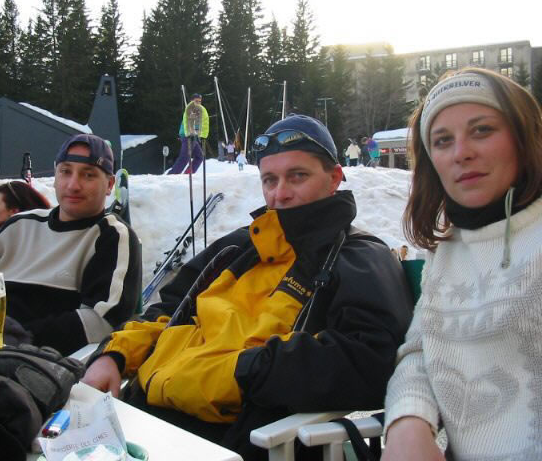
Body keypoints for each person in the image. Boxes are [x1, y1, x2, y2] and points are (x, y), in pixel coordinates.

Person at [82, 115, 414, 460]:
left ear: (333, 178)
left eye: (297, 176)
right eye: (270, 180)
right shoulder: (238, 248)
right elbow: (168, 310)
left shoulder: (356, 256)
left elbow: (371, 358)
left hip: (237, 438)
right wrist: (115, 354)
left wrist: (244, 371)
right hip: (145, 420)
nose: (280, 193)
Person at [383, 68, 542, 460]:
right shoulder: (448, 249)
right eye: (443, 140)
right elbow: (421, 351)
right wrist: (407, 420)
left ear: (524, 137)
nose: (461, 153)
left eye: (482, 130)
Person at [0, 134, 142, 356]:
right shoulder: (18, 225)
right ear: (55, 176)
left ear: (109, 185)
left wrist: (14, 340)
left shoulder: (110, 237)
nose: (73, 185)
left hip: (34, 362)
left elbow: (103, 320)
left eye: (88, 175)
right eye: (65, 172)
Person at [168, 93, 209, 174]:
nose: (198, 103)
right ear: (191, 101)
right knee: (184, 157)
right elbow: (188, 123)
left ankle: (188, 173)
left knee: (199, 156)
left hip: (193, 136)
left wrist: (201, 135)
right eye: (196, 101)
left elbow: (198, 124)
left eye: (200, 101)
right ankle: (172, 174)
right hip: (188, 136)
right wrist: (191, 134)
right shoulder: (191, 109)